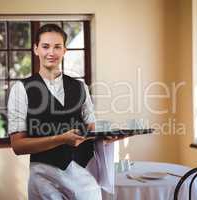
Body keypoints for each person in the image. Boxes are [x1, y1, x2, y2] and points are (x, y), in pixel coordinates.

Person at [7, 24, 121, 200]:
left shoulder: (80, 87)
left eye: (57, 47)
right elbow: (18, 146)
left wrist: (108, 137)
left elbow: (91, 130)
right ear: (36, 49)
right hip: (43, 177)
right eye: (45, 46)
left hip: (83, 175)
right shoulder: (20, 89)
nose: (51, 52)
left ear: (64, 50)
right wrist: (60, 139)